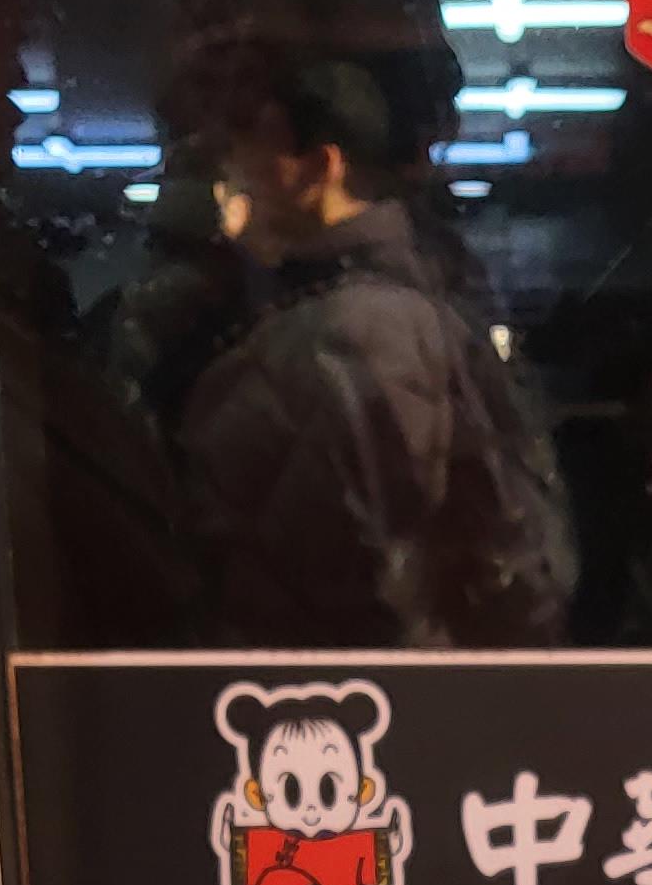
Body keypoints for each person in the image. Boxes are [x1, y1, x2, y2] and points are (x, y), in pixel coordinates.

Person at [177, 55, 576, 647]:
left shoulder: (361, 328)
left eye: (252, 150)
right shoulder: (378, 299)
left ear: (317, 168)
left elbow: (361, 582)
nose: (232, 176)